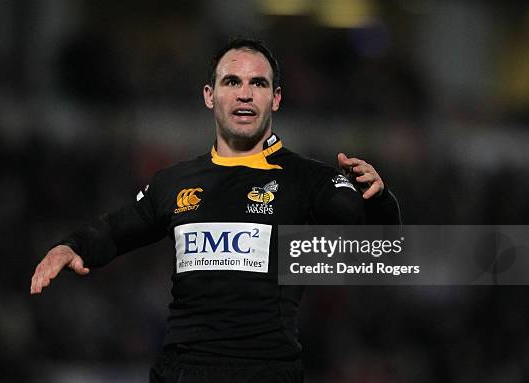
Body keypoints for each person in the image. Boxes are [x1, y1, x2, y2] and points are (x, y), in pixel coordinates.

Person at [31, 38, 401, 382]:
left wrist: (378, 198)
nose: (244, 94)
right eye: (231, 82)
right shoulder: (175, 182)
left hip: (264, 372)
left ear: (276, 98)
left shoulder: (309, 180)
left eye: (258, 84)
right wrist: (72, 246)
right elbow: (116, 229)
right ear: (209, 95)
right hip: (181, 371)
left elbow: (379, 242)